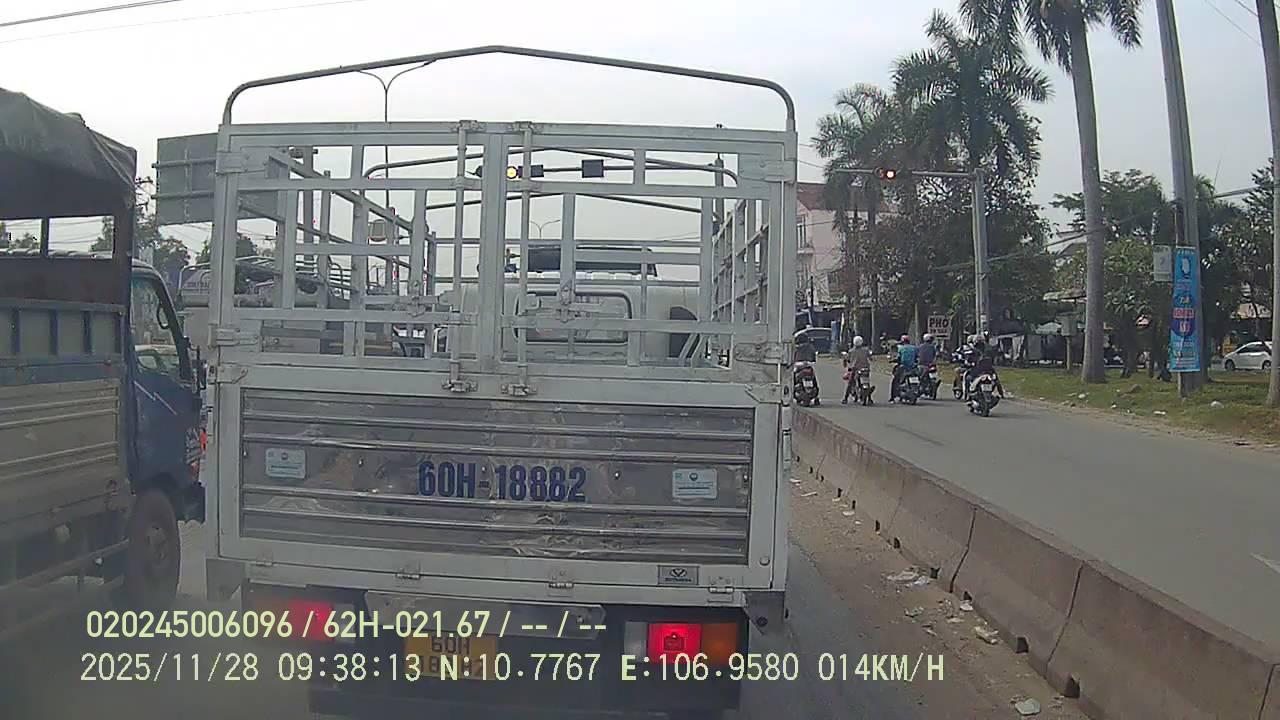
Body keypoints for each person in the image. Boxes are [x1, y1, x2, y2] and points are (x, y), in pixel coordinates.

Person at [843, 335, 872, 404]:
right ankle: (869, 398)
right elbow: (870, 358)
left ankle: (845, 398)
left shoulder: (851, 351)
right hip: (865, 369)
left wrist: (846, 362)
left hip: (855, 369)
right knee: (867, 383)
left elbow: (847, 359)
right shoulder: (866, 350)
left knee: (850, 383)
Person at [889, 334, 917, 403]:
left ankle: (892, 397)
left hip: (904, 367)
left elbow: (899, 358)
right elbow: (916, 357)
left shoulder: (901, 348)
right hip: (913, 367)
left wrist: (893, 360)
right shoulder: (914, 348)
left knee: (895, 380)